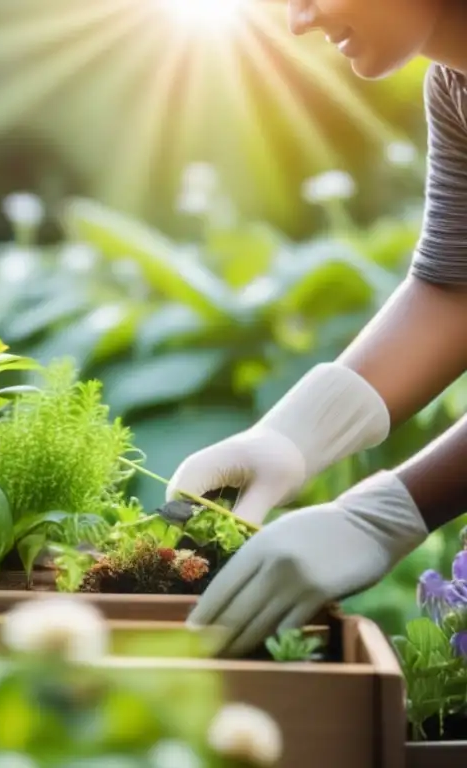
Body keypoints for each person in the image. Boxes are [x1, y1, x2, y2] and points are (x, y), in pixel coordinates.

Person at [173, 0, 467, 656]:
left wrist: (388, 511)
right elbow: (455, 288)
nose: (298, 20)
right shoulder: (457, 85)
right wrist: (293, 436)